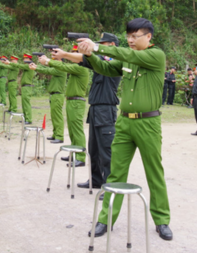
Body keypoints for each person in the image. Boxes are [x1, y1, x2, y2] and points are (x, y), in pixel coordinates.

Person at [75, 18, 172, 241]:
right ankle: (105, 219)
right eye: (128, 36)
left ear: (148, 37)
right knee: (116, 173)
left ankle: (162, 219)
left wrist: (98, 46)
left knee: (154, 172)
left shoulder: (156, 55)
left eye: (134, 36)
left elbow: (129, 56)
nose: (129, 40)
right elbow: (106, 68)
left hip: (148, 123)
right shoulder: (129, 57)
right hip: (124, 123)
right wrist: (90, 55)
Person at [51, 33, 122, 199]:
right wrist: (64, 55)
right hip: (96, 109)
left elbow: (87, 58)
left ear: (112, 45)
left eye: (103, 44)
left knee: (106, 151)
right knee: (94, 149)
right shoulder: (100, 62)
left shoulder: (114, 62)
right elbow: (84, 59)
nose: (100, 47)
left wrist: (66, 55)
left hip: (106, 110)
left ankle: (109, 185)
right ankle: (96, 180)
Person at [36, 50, 89, 167]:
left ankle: (80, 157)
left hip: (76, 102)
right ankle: (74, 153)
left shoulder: (81, 68)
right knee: (72, 130)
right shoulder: (76, 67)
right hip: (72, 100)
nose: (72, 57)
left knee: (77, 130)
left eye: (75, 55)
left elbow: (62, 66)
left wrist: (47, 61)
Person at [29, 55, 67, 143]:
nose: (53, 60)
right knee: (54, 116)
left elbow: (48, 70)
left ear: (60, 60)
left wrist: (36, 68)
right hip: (54, 95)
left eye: (55, 59)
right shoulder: (58, 68)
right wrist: (38, 65)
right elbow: (48, 68)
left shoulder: (61, 68)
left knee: (57, 116)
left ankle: (59, 136)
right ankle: (55, 134)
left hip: (57, 95)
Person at [10, 54, 35, 124]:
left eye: (26, 58)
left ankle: (29, 119)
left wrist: (10, 63)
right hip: (25, 86)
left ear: (29, 59)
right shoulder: (27, 65)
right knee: (24, 103)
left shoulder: (29, 65)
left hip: (27, 86)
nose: (24, 59)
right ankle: (26, 118)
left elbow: (20, 66)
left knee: (26, 103)